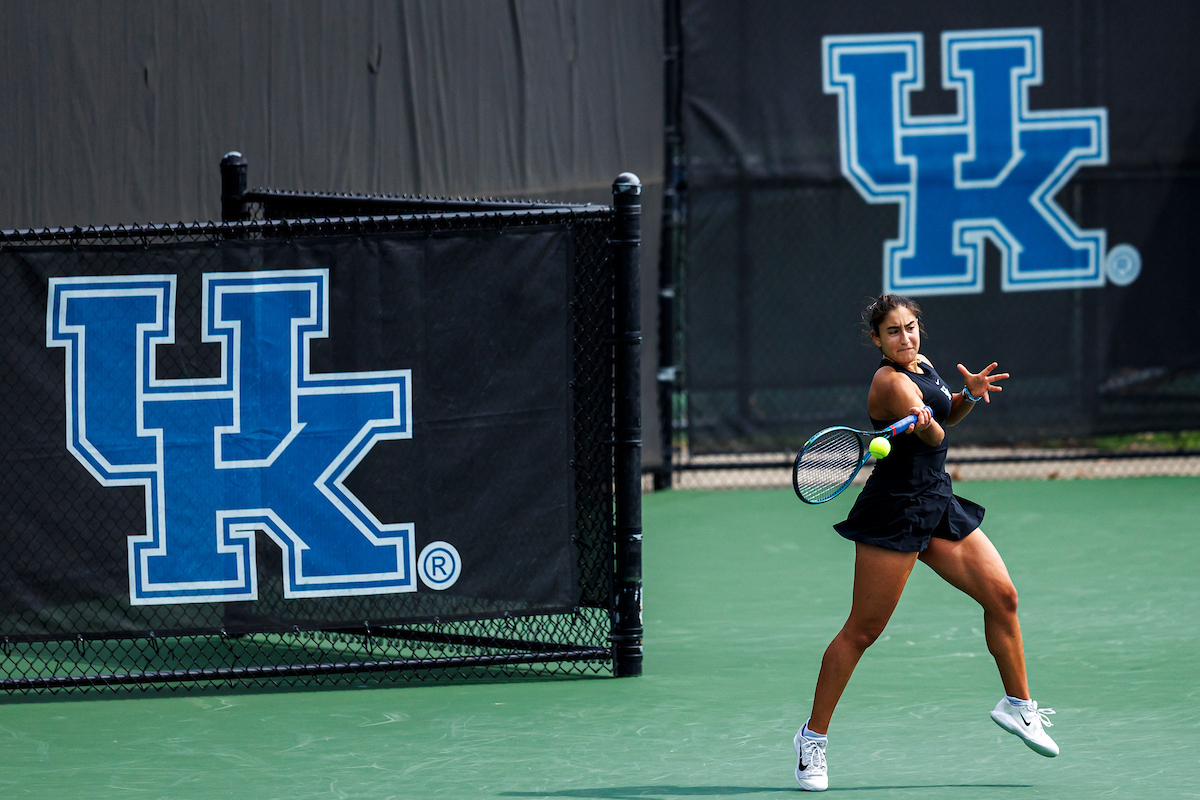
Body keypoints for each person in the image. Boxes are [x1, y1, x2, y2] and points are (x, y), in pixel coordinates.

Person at [793, 294, 1058, 792]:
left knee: (1002, 597)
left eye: (911, 327)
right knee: (862, 631)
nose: (905, 338)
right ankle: (812, 740)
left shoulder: (923, 364)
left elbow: (947, 416)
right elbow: (934, 438)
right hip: (895, 511)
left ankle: (1019, 706)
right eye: (893, 332)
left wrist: (969, 396)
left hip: (936, 499)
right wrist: (925, 421)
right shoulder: (888, 381)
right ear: (877, 339)